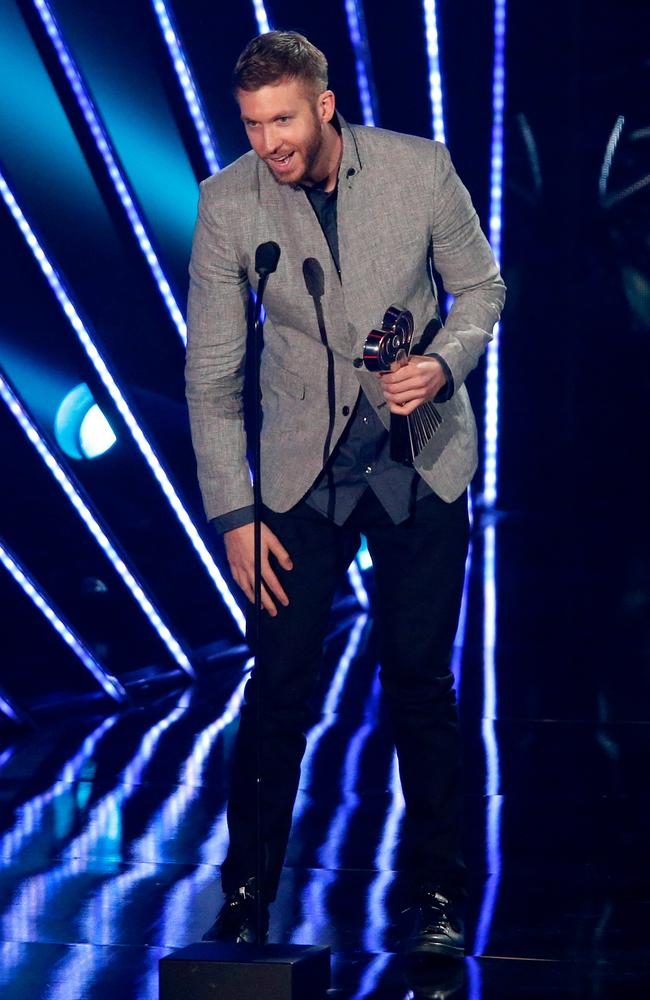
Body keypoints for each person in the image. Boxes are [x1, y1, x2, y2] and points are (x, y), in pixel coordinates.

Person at [185, 30, 505, 958]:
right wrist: (234, 514)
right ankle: (244, 899)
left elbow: (481, 287)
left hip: (419, 459)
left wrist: (443, 365)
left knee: (419, 682)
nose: (268, 142)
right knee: (278, 685)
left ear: (324, 106)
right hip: (301, 469)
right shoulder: (226, 205)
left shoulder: (420, 167)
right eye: (252, 124)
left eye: (282, 119)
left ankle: (438, 898)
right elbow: (212, 375)